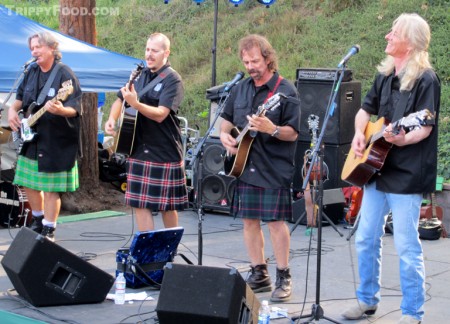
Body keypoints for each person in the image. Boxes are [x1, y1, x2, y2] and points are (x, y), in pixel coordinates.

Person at [341, 13, 440, 324]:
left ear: (409, 42)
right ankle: (367, 301)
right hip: (374, 170)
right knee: (365, 238)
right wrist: (360, 134)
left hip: (407, 174)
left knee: (407, 246)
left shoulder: (426, 80)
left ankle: (412, 312)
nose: (387, 36)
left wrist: (400, 139)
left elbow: (423, 128)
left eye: (393, 33)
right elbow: (364, 111)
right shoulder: (385, 76)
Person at [220, 34, 300, 302]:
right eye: (246, 61)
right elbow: (225, 120)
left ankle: (283, 275)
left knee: (276, 223)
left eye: (255, 61)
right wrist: (226, 137)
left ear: (268, 58)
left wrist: (272, 128)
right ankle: (259, 273)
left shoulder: (285, 91)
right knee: (249, 222)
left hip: (273, 166)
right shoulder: (240, 88)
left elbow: (294, 133)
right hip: (244, 166)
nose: (250, 66)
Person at [105, 33, 188, 231]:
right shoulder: (138, 74)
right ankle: (147, 252)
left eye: (155, 51)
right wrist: (111, 119)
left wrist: (136, 104)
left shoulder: (172, 80)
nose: (149, 55)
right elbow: (120, 99)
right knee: (139, 204)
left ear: (166, 53)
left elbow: (161, 114)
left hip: (164, 150)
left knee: (168, 206)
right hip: (137, 148)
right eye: (147, 50)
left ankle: (169, 249)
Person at [8, 32, 82, 241]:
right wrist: (13, 111)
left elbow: (75, 109)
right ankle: (38, 220)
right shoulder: (31, 71)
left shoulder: (65, 74)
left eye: (38, 47)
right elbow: (20, 99)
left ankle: (49, 229)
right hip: (32, 137)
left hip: (56, 140)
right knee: (27, 182)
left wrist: (60, 110)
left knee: (51, 189)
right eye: (32, 48)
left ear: (51, 48)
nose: (34, 51)